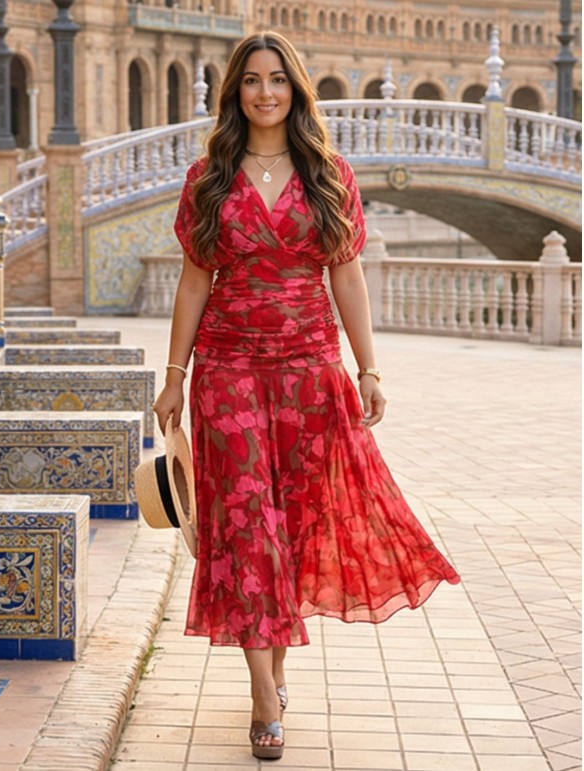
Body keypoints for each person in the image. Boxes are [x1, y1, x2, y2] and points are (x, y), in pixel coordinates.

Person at [153, 30, 460, 761]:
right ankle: (264, 695)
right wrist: (174, 375)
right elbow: (194, 280)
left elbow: (346, 274)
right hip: (227, 365)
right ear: (236, 92)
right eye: (252, 80)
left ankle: (275, 661)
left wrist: (369, 369)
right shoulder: (208, 178)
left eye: (277, 80)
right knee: (246, 521)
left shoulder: (328, 173)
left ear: (295, 90)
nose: (265, 92)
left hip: (309, 369)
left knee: (289, 524)